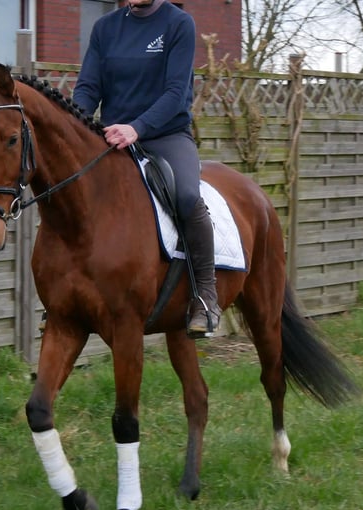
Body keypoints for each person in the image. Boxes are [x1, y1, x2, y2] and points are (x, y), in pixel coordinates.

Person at [72, 0, 221, 338]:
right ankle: (66, 297)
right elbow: (88, 88)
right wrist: (75, 125)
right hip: (112, 138)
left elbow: (175, 93)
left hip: (165, 135)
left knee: (185, 196)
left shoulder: (179, 24)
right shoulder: (105, 28)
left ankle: (205, 297)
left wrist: (136, 127)